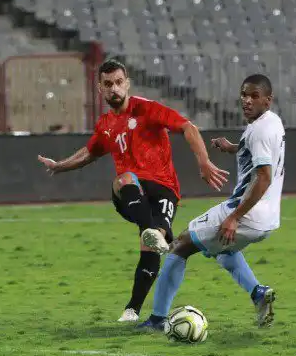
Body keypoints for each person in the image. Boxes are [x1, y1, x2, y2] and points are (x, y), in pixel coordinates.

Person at [37, 59, 228, 323]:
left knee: (150, 247)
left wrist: (204, 162)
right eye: (108, 84)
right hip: (131, 191)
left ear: (127, 84)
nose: (114, 88)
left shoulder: (148, 109)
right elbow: (89, 152)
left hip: (164, 190)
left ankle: (132, 310)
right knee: (125, 179)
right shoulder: (105, 124)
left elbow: (188, 127)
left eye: (118, 82)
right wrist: (59, 166)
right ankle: (154, 231)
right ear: (100, 89)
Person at [138, 74, 284, 330]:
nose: (247, 101)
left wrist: (234, 218)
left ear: (267, 100)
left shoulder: (258, 131)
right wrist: (234, 147)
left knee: (181, 245)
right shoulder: (272, 122)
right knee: (224, 250)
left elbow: (264, 177)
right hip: (269, 218)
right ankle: (258, 293)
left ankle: (157, 320)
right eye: (244, 95)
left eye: (254, 96)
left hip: (247, 212)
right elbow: (261, 148)